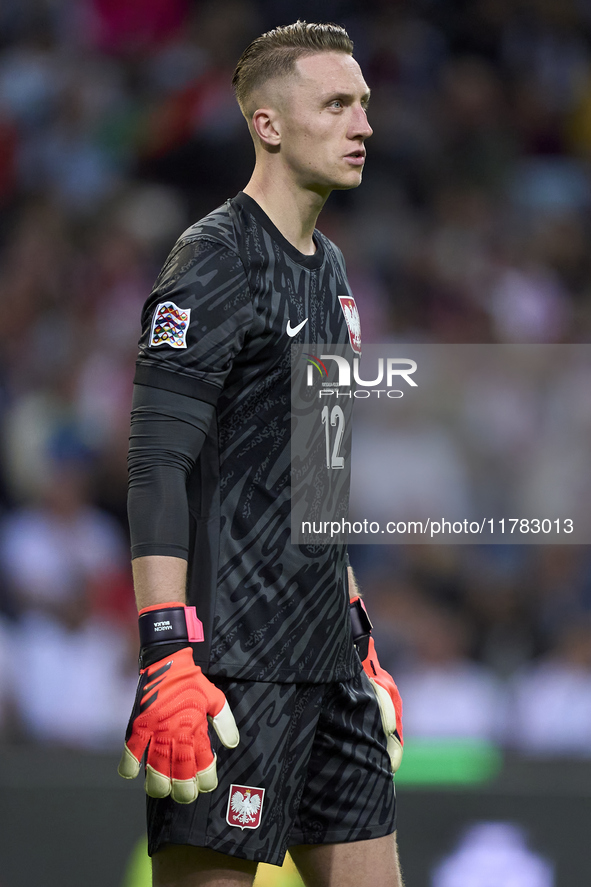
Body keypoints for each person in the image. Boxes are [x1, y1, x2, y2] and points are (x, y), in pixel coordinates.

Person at [118, 21, 404, 887]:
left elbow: (317, 480)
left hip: (328, 665)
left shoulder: (332, 271)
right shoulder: (214, 258)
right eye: (335, 103)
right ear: (268, 123)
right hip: (231, 670)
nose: (362, 124)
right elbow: (156, 462)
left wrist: (357, 635)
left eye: (363, 104)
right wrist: (166, 652)